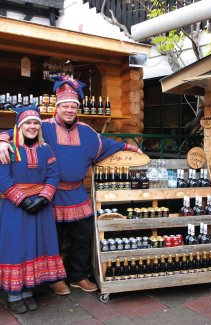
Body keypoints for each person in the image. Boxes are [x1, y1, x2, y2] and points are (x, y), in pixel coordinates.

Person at [0, 76, 142, 296]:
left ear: (77, 108)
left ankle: (78, 276)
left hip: (76, 192)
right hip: (50, 194)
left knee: (82, 236)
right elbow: (14, 132)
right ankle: (55, 279)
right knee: (52, 238)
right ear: (57, 107)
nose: (68, 110)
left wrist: (131, 148)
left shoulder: (87, 131)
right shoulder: (41, 126)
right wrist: (1, 141)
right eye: (64, 106)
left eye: (73, 106)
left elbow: (109, 144)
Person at [0, 104, 66, 314]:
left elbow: (54, 174)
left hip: (41, 207)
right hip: (14, 207)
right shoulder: (8, 148)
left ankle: (28, 290)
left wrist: (44, 198)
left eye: (36, 123)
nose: (32, 127)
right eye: (28, 122)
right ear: (19, 126)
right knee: (16, 247)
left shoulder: (46, 149)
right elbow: (2, 177)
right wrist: (21, 199)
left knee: (37, 246)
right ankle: (14, 294)